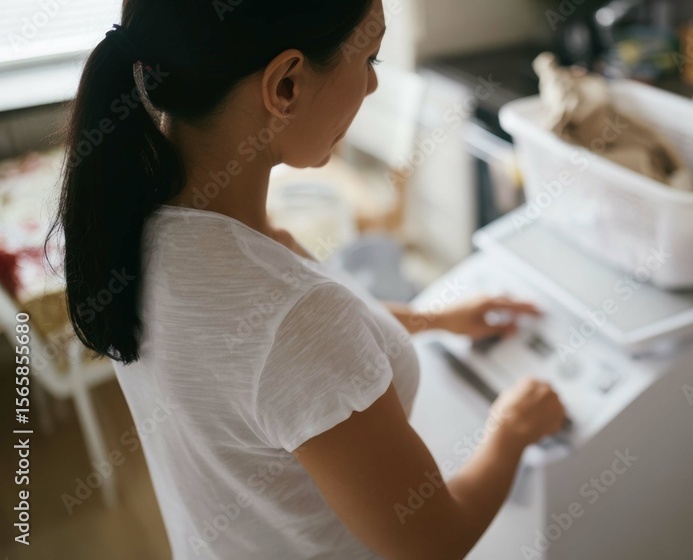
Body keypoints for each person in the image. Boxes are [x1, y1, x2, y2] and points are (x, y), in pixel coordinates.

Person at [51, 1, 566, 558]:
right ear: (286, 85)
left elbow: (268, 373)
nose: (372, 85)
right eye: (369, 59)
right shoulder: (292, 314)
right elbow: (433, 542)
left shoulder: (133, 222)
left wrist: (431, 319)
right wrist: (511, 430)